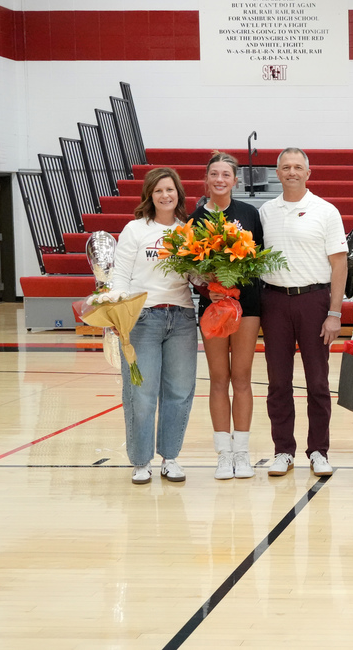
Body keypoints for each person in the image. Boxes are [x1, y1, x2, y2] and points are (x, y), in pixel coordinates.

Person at [259, 147, 348, 478]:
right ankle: (283, 450)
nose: (292, 172)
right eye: (286, 167)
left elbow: (339, 264)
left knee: (318, 382)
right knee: (278, 382)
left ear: (308, 173)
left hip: (314, 301)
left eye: (298, 167)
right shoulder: (265, 212)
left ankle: (318, 450)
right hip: (274, 302)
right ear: (277, 173)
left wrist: (335, 312)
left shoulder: (326, 211)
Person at [113, 167, 198, 485]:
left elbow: (195, 276)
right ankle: (141, 461)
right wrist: (119, 314)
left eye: (170, 189)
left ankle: (170, 457)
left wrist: (215, 275)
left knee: (180, 391)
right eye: (159, 190)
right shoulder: (135, 230)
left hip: (182, 318)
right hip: (142, 318)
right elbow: (120, 275)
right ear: (149, 195)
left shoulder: (187, 232)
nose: (165, 195)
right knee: (141, 393)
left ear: (178, 194)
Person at [187, 151, 264, 480]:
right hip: (213, 306)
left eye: (226, 174)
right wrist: (208, 288)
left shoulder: (249, 213)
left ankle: (242, 453)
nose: (220, 179)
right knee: (218, 379)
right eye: (214, 174)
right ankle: (223, 454)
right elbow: (189, 269)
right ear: (206, 179)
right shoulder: (194, 220)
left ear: (235, 180)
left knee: (242, 377)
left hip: (248, 306)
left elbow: (259, 261)